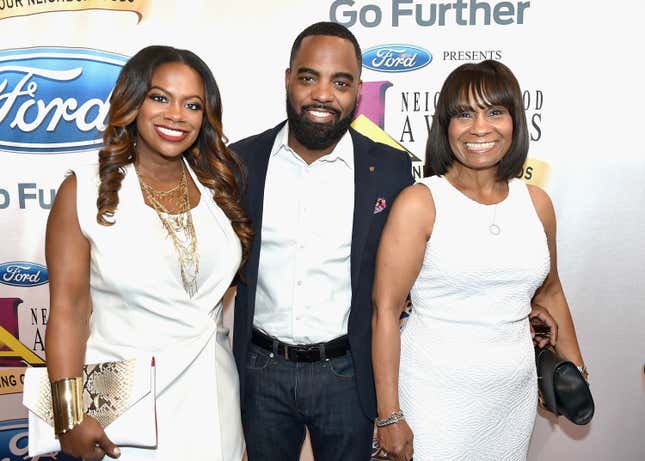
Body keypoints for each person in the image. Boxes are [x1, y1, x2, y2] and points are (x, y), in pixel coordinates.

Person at [43, 45, 251, 460]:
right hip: (127, 410)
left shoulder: (217, 190)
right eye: (160, 98)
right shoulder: (83, 192)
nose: (176, 114)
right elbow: (68, 309)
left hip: (212, 399)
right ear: (133, 101)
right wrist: (68, 415)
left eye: (192, 104)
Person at [371, 60, 587, 461]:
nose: (480, 128)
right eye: (464, 113)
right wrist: (389, 416)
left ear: (514, 122)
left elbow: (552, 290)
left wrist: (575, 369)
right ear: (446, 126)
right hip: (434, 397)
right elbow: (385, 311)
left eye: (495, 112)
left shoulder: (537, 204)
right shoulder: (421, 202)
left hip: (511, 397)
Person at [229, 22, 414, 461]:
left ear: (359, 91)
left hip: (347, 374)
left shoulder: (390, 168)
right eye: (309, 77)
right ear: (288, 79)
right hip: (259, 371)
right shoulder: (241, 162)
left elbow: (414, 270)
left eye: (341, 82)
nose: (323, 95)